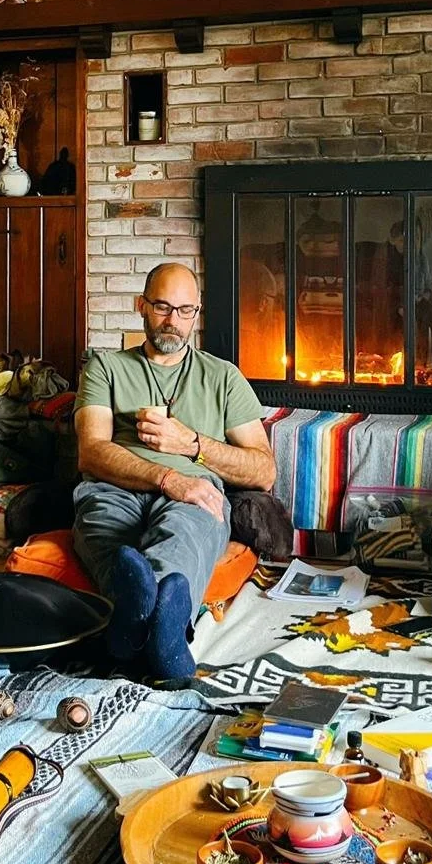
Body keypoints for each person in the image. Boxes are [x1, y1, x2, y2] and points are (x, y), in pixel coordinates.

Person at [73, 262, 277, 684]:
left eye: (185, 311)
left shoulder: (223, 377)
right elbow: (91, 453)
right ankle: (156, 640)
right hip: (115, 486)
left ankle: (147, 634)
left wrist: (191, 446)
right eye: (163, 307)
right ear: (141, 307)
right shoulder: (106, 368)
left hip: (197, 492)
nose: (174, 321)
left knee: (184, 532)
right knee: (105, 529)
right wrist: (167, 479)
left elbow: (263, 470)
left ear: (197, 314)